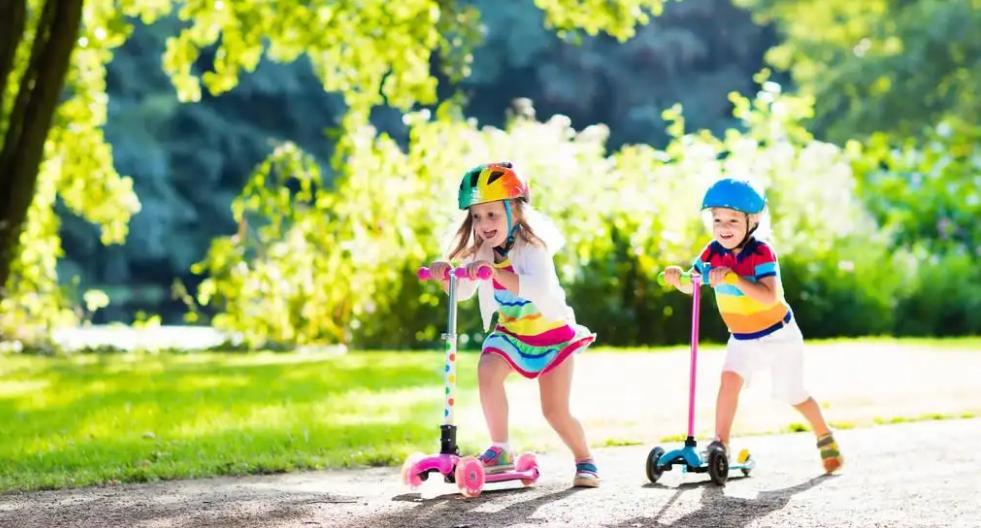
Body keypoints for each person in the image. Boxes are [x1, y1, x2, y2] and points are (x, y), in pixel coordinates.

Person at [427, 161, 600, 487]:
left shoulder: (533, 249)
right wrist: (446, 274)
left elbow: (538, 289)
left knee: (554, 411)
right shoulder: (481, 250)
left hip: (551, 334)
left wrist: (495, 273)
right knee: (487, 369)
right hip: (511, 332)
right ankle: (501, 447)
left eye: (492, 214)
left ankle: (585, 458)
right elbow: (462, 290)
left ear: (516, 212)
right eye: (477, 216)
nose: (484, 224)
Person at [662, 178, 844, 474]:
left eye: (733, 220)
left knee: (792, 393)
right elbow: (691, 283)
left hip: (779, 336)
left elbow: (768, 295)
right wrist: (678, 279)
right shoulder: (711, 252)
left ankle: (824, 432)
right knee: (729, 382)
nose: (724, 226)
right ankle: (720, 444)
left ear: (752, 221)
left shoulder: (761, 252)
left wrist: (734, 278)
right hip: (742, 338)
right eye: (717, 218)